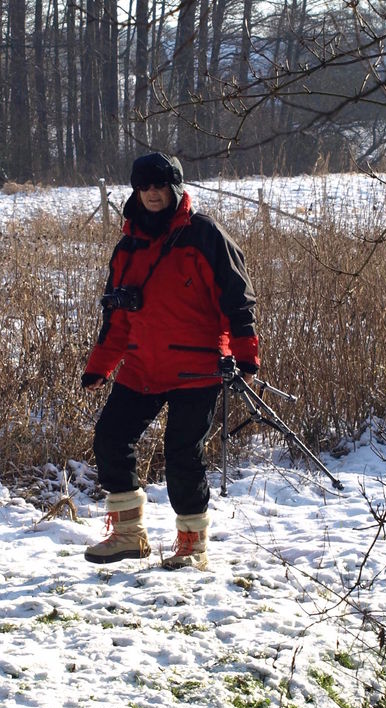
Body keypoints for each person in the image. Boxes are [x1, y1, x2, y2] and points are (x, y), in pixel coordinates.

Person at [81, 152, 259, 569]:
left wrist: (245, 353)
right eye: (144, 187)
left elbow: (238, 299)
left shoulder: (205, 235)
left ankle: (191, 545)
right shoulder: (127, 247)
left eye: (160, 186)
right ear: (136, 192)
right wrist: (101, 366)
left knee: (182, 454)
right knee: (110, 438)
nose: (152, 194)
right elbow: (117, 316)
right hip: (142, 368)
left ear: (175, 188)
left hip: (196, 369)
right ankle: (127, 535)